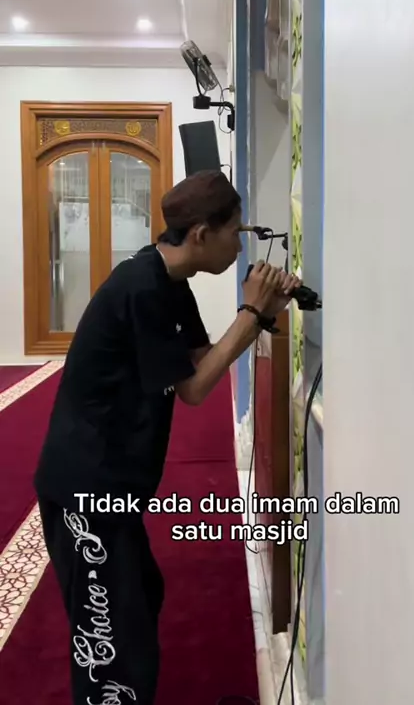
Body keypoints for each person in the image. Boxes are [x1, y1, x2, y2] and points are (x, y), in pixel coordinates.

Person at [34, 170, 300, 705]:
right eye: (235, 232)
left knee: (139, 599)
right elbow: (195, 390)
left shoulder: (168, 281)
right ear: (201, 234)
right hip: (86, 488)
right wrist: (251, 312)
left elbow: (201, 360)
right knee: (113, 636)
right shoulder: (143, 287)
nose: (240, 245)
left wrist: (262, 314)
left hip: (113, 485)